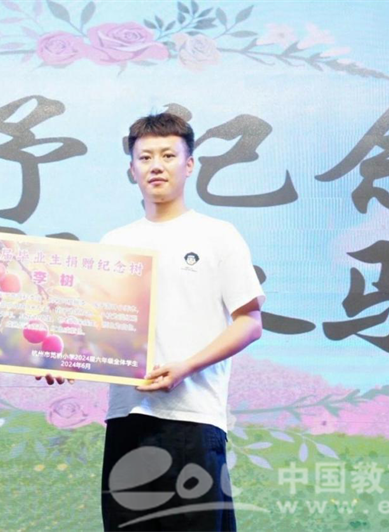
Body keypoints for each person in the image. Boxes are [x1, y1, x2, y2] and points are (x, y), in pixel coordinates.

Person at [99, 113, 265, 531]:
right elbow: (96, 329)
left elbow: (249, 322)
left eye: (168, 155)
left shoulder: (218, 235)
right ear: (131, 169)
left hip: (193, 418)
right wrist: (59, 360)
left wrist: (186, 367)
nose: (156, 166)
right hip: (127, 417)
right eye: (145, 157)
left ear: (189, 165)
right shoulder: (114, 243)